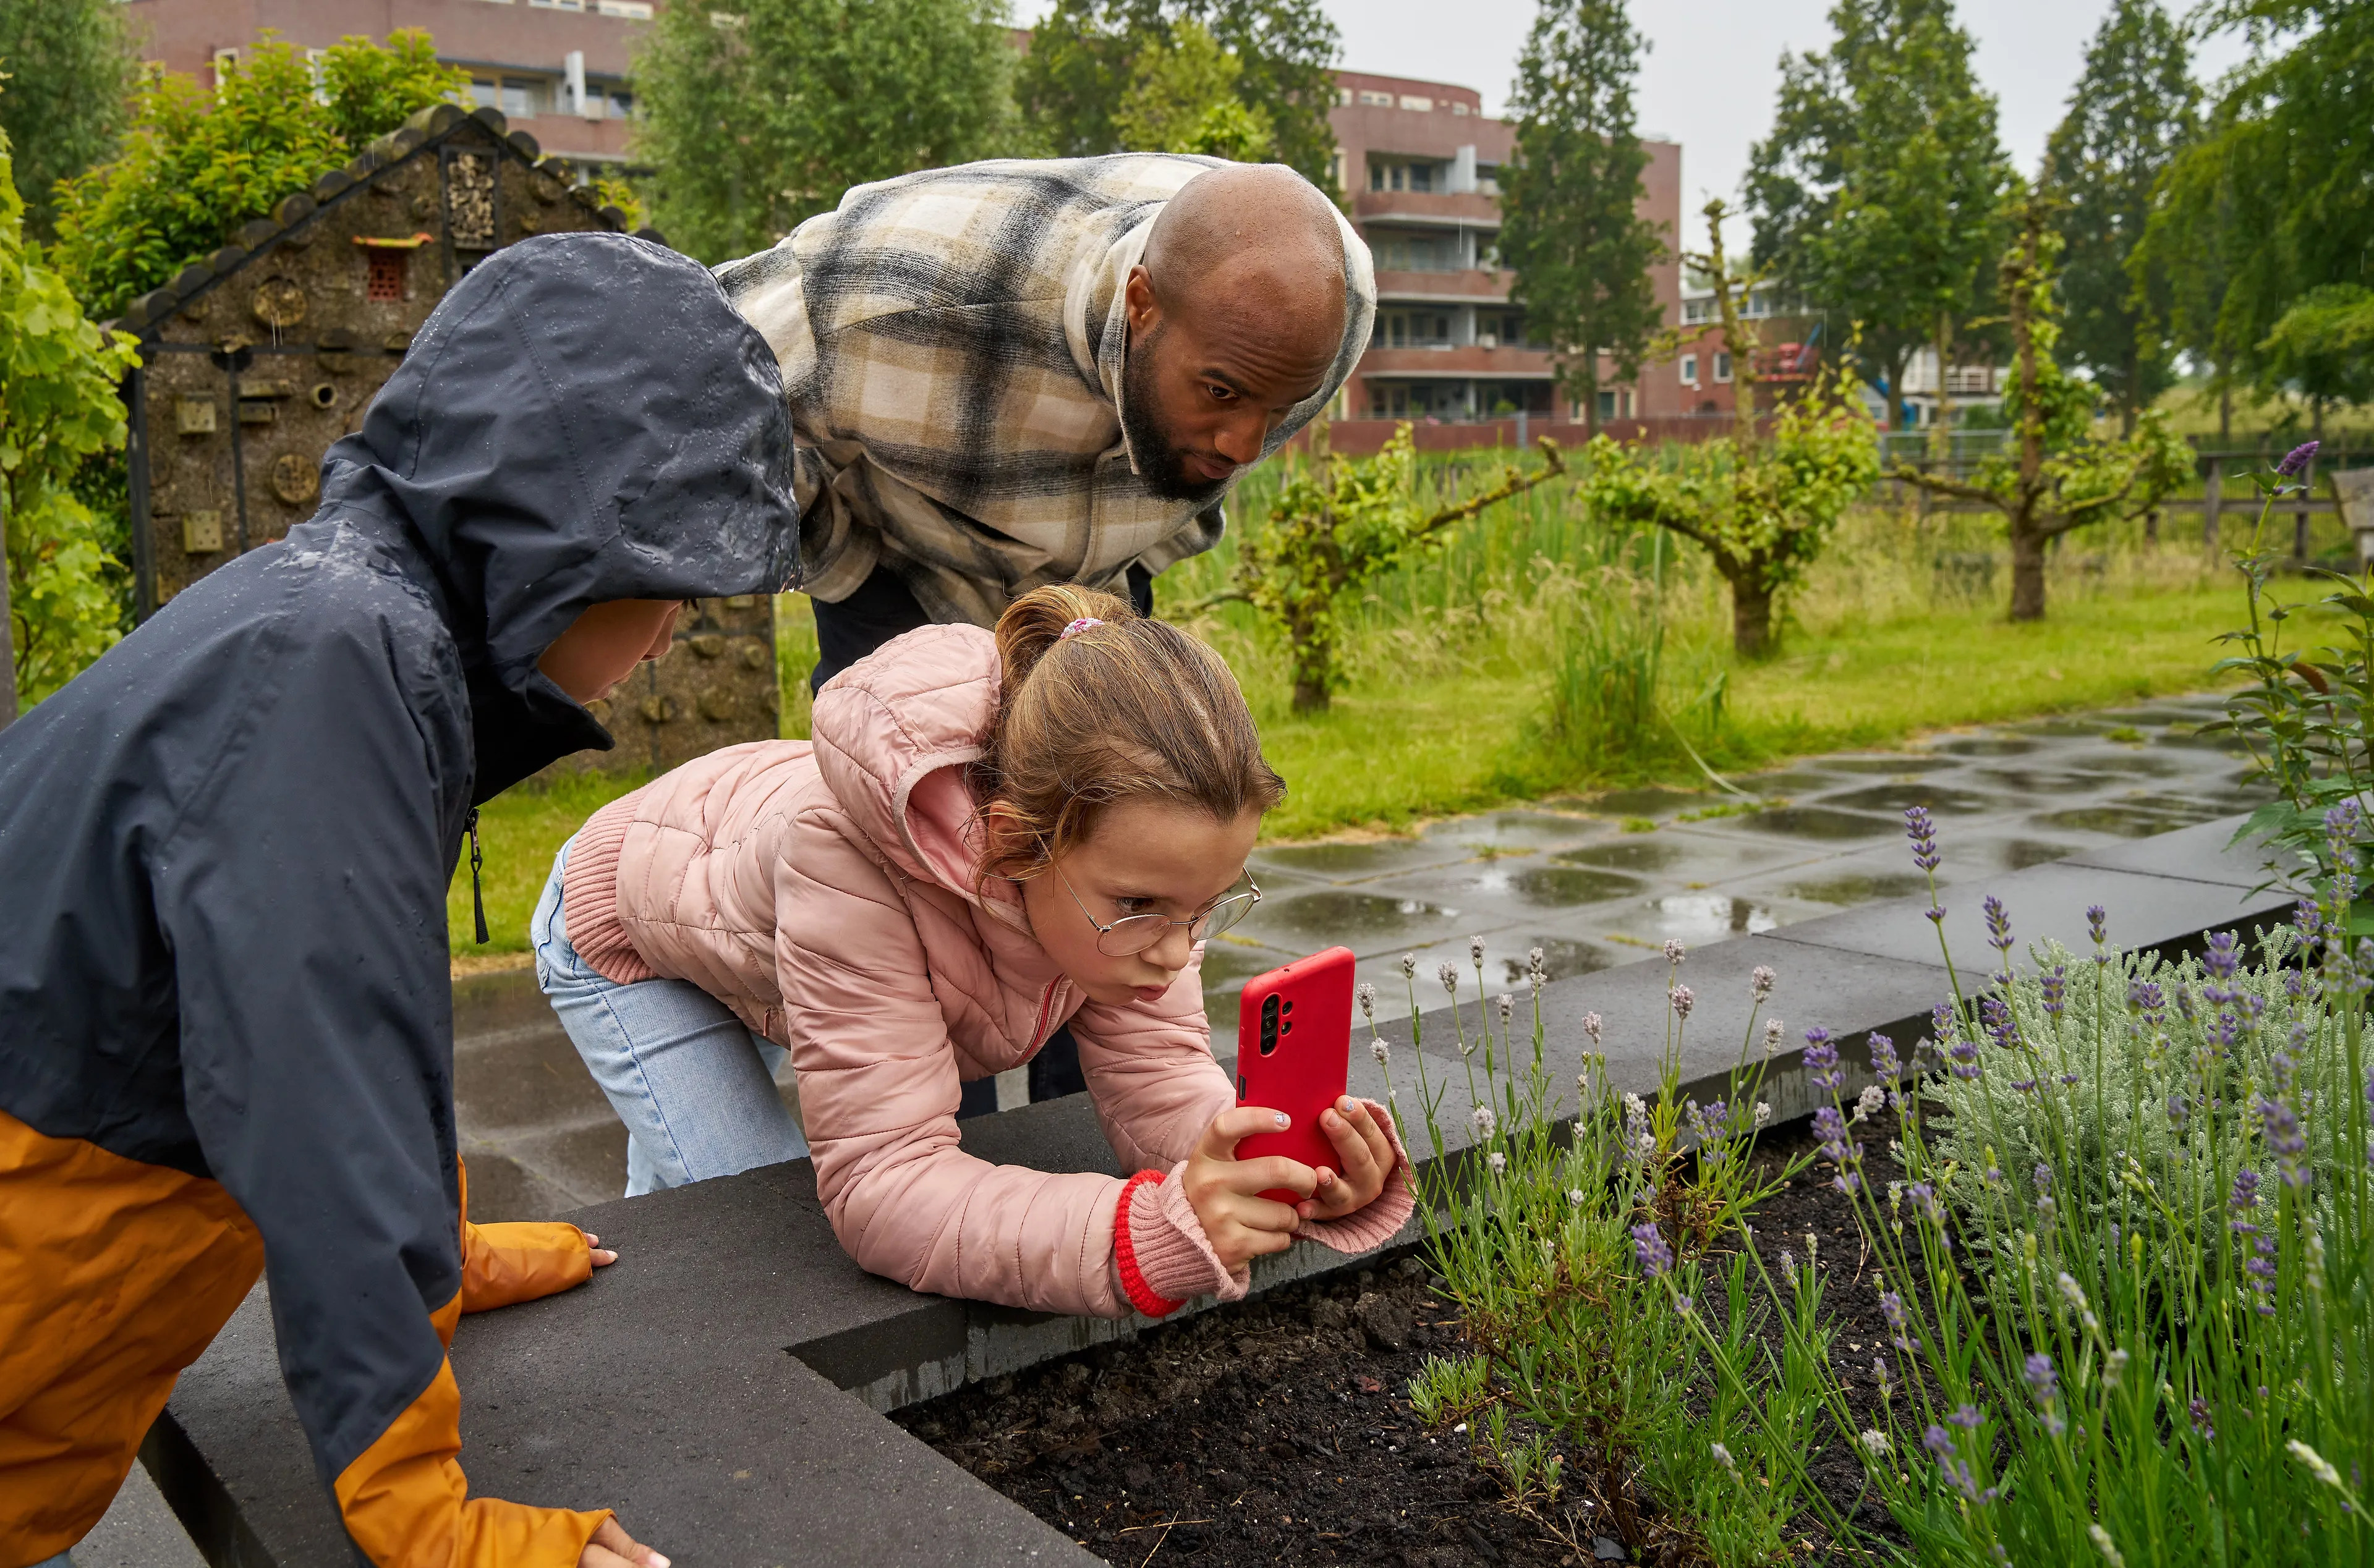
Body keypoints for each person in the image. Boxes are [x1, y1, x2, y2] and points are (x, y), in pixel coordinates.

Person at [0, 232, 799, 1568]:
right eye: (667, 575)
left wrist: (439, 1249)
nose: (674, 630)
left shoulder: (340, 624)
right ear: (556, 533)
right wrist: (424, 1513)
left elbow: (343, 1018)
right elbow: (322, 1083)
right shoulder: (339, 665)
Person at [533, 583, 1412, 1316]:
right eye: (1140, 906)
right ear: (1008, 839)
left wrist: (1273, 1174)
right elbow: (884, 1185)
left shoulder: (1127, 877)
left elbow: (1160, 1082)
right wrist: (1142, 1234)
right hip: (632, 930)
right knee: (754, 1220)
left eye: (1206, 907)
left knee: (686, 1196)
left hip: (754, 920)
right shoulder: (845, 870)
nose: (1178, 951)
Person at [718, 153, 1374, 1106]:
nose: (1245, 445)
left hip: (1094, 592)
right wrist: (842, 555)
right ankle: (948, 1130)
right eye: (1224, 392)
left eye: (1278, 411)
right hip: (906, 570)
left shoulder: (1327, 309)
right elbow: (711, 386)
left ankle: (1099, 1130)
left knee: (1117, 864)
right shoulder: (892, 298)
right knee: (932, 885)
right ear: (1141, 302)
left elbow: (1240, 408)